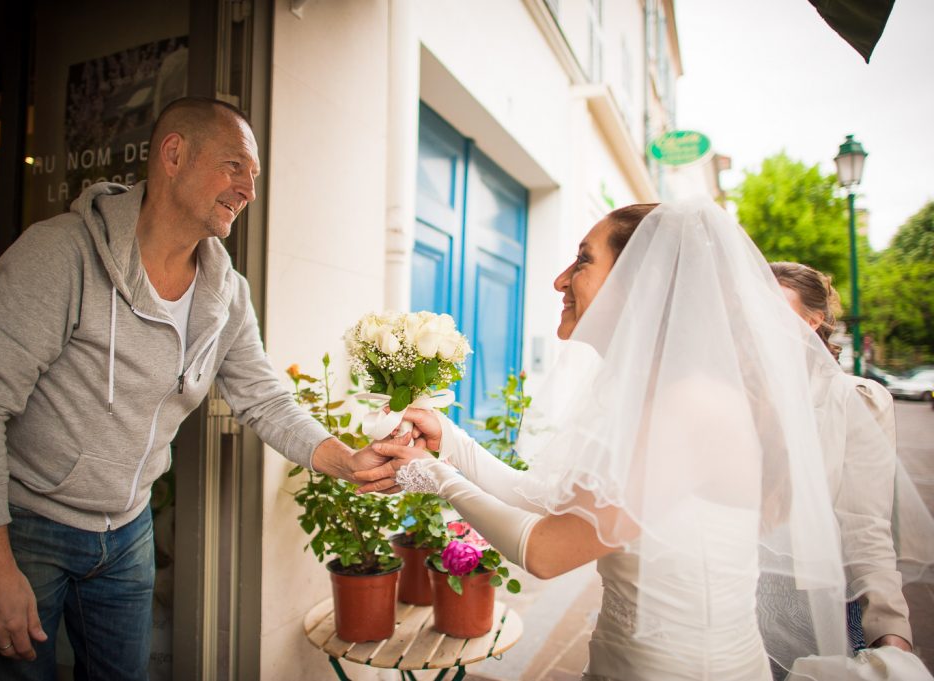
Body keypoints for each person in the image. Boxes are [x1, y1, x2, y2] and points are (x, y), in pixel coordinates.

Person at [358, 200, 928, 680]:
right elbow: (548, 499)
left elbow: (549, 551)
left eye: (583, 260)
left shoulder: (693, 404)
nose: (561, 279)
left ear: (642, 284)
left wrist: (432, 475)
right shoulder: (654, 394)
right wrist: (451, 443)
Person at [0, 97, 388, 680]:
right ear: (174, 154)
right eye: (235, 166)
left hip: (128, 533)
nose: (247, 189)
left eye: (253, 177)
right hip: (28, 526)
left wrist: (349, 462)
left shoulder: (225, 294)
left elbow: (266, 398)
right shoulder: (61, 255)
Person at [758, 261, 911, 661]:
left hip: (812, 601)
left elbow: (866, 524)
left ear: (814, 321)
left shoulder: (856, 400)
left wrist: (891, 628)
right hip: (724, 591)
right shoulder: (722, 394)